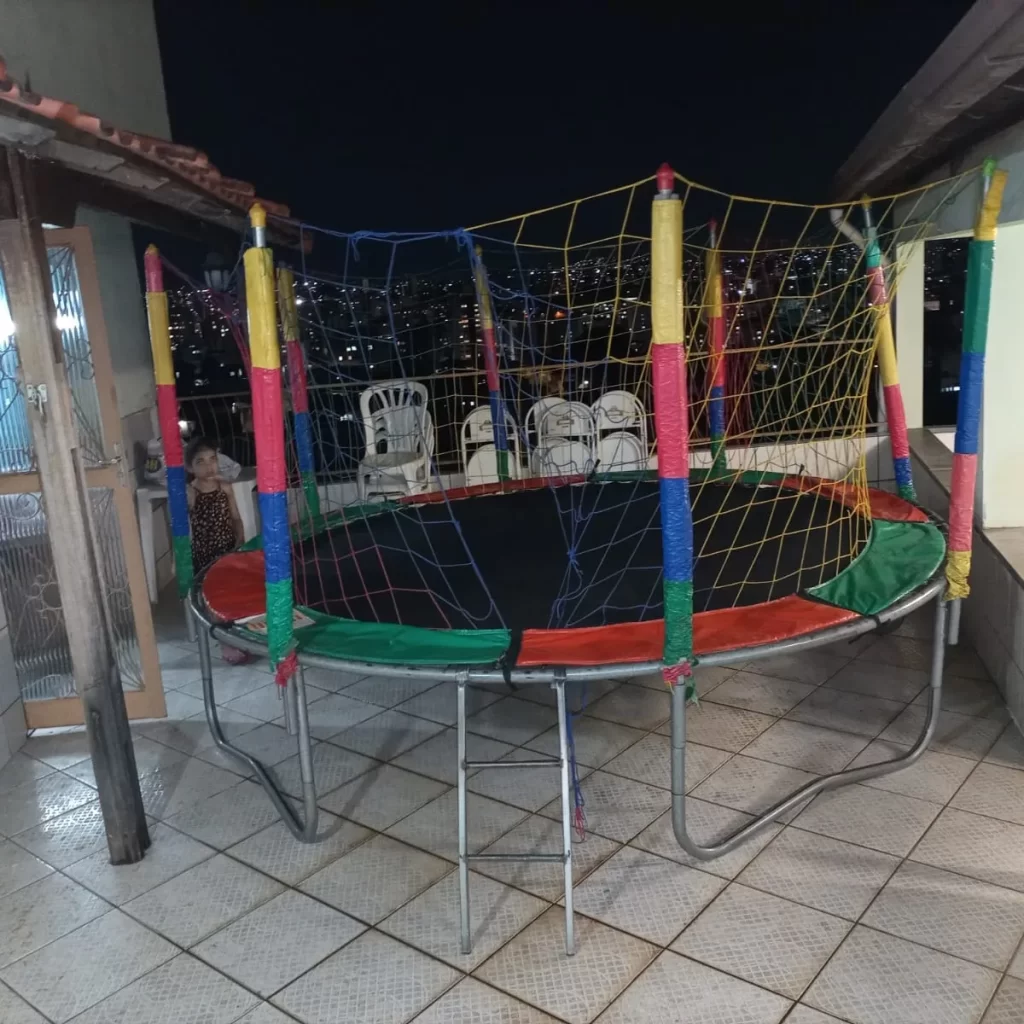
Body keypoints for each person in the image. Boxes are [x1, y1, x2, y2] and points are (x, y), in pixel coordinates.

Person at [185, 435, 249, 664]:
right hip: (204, 554)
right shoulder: (191, 492)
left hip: (227, 549)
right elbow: (181, 528)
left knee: (234, 594)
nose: (209, 466)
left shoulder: (225, 486)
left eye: (212, 459)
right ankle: (226, 643)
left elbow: (235, 517)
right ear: (189, 467)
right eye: (200, 462)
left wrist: (240, 540)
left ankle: (239, 635)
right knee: (214, 598)